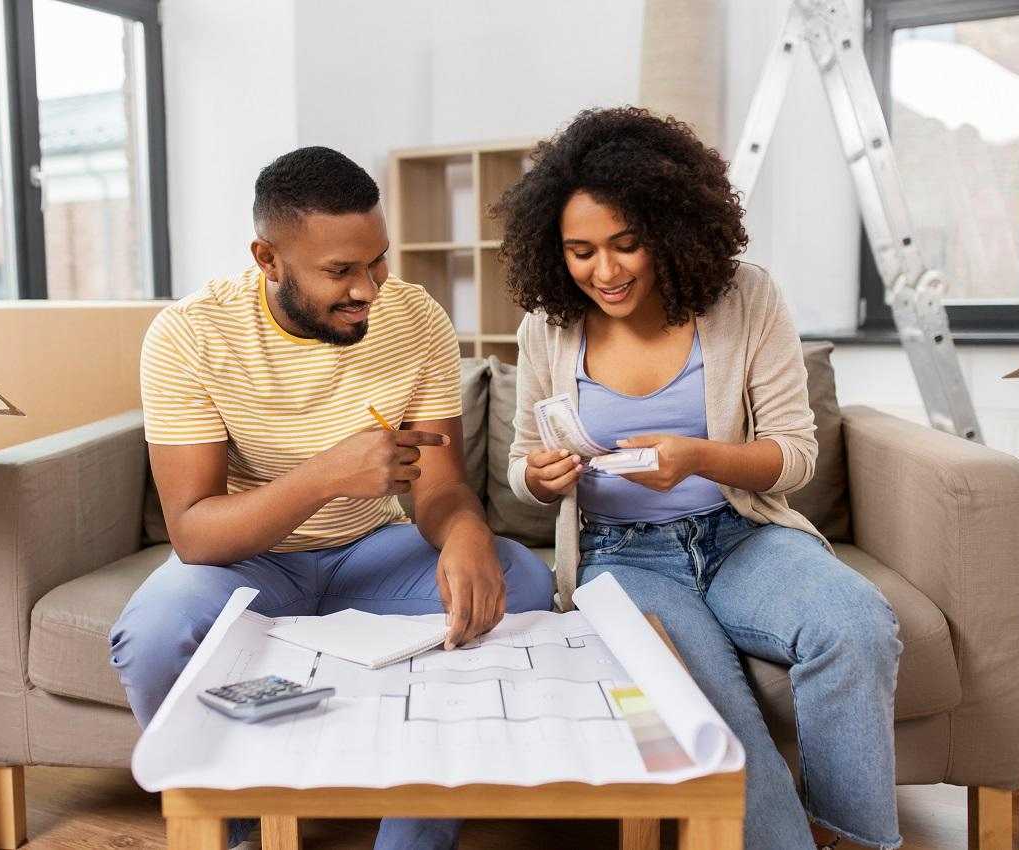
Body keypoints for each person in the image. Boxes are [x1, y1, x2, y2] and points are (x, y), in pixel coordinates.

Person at [109, 146, 555, 850]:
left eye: (377, 261)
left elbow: (439, 488)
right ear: (268, 259)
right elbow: (194, 532)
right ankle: (235, 825)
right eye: (340, 272)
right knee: (153, 634)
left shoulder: (415, 318)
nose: (369, 289)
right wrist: (325, 475)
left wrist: (468, 534)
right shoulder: (189, 335)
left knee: (522, 584)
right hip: (247, 562)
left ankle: (412, 841)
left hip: (374, 551)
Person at [496, 107, 902, 850]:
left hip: (742, 534)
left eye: (627, 244)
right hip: (621, 557)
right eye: (581, 251)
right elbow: (524, 465)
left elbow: (795, 453)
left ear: (672, 228)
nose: (606, 272)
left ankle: (854, 840)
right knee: (707, 698)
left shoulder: (744, 299)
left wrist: (699, 456)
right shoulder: (546, 328)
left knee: (854, 622)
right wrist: (544, 478)